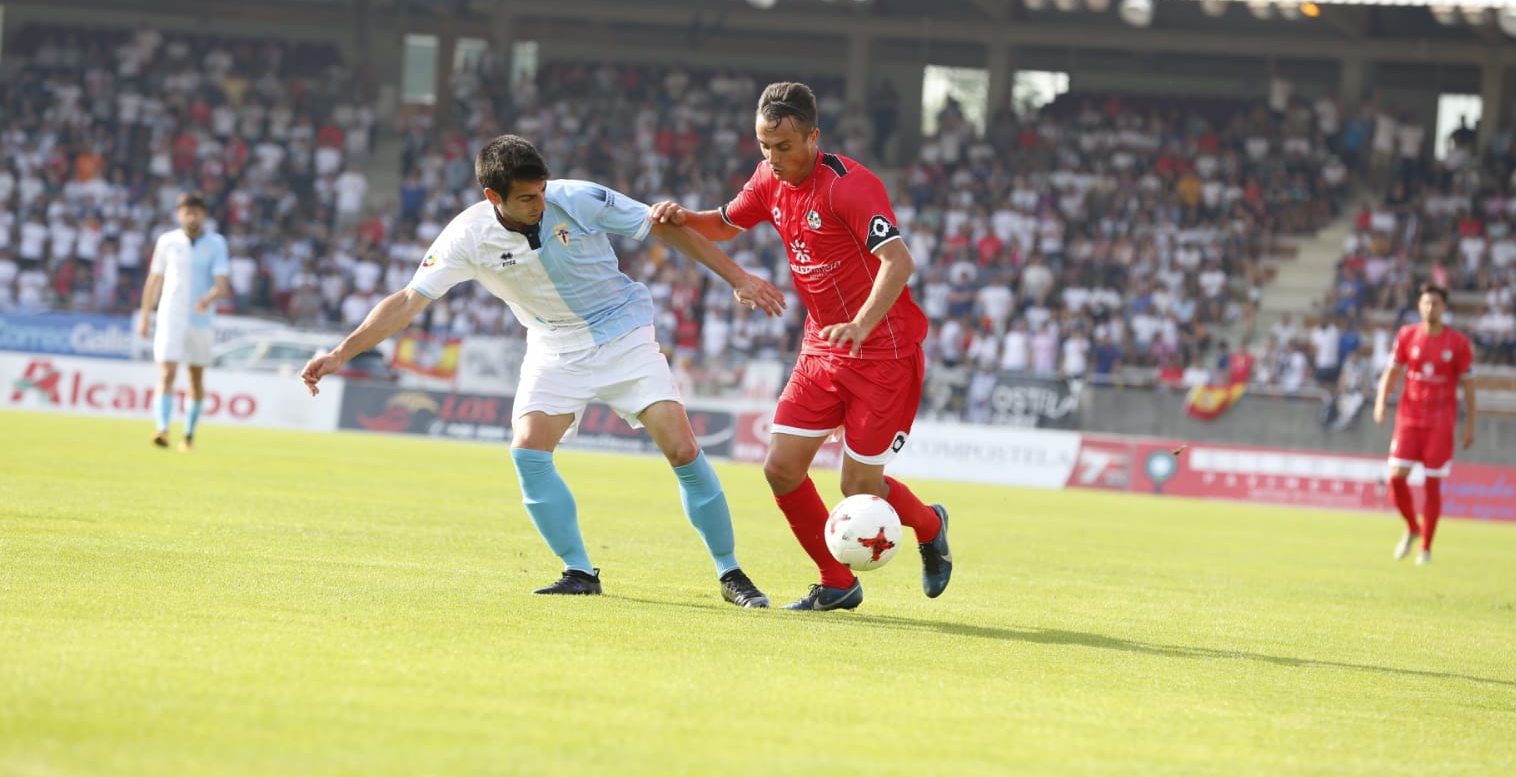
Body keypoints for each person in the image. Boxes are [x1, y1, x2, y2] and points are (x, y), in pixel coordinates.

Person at [299, 135, 785, 606]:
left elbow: (667, 227)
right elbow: (408, 301)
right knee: (528, 451)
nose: (540, 202)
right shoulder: (467, 236)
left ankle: (730, 571)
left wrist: (739, 278)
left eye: (542, 190)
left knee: (682, 448)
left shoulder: (579, 197)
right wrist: (342, 353)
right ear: (493, 197)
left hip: (623, 333)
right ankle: (578, 571)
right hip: (553, 345)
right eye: (527, 197)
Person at [649, 82, 952, 612]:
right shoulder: (769, 178)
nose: (773, 158)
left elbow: (899, 262)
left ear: (814, 137)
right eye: (764, 146)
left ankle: (929, 523)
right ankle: (837, 582)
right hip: (821, 349)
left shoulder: (850, 187)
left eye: (784, 147)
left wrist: (859, 324)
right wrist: (682, 218)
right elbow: (723, 225)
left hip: (884, 351)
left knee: (857, 485)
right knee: (781, 469)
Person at [1372, 283, 1476, 565]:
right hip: (1409, 419)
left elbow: (1468, 387)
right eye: (1426, 303)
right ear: (1419, 306)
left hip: (1440, 423)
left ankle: (1426, 548)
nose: (1431, 308)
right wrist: (1381, 403)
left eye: (1436, 303)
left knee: (1432, 485)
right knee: (1396, 477)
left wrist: (1470, 425)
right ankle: (1412, 527)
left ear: (1444, 308)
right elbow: (1391, 372)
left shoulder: (1457, 343)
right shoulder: (1407, 335)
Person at [136, 192, 231, 451]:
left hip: (200, 320)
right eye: (187, 211)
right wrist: (145, 315)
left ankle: (188, 435)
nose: (191, 215)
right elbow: (154, 280)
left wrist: (208, 298)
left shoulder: (216, 243)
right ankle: (162, 429)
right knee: (166, 373)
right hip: (170, 316)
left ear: (204, 214)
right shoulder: (167, 241)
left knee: (195, 377)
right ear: (179, 214)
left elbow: (221, 284)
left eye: (196, 211)